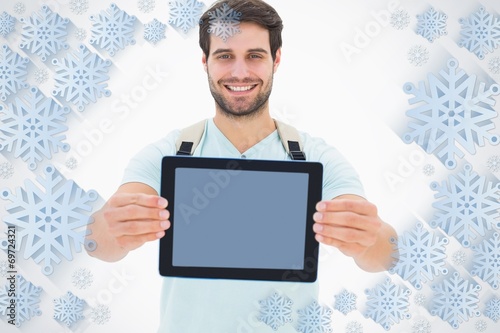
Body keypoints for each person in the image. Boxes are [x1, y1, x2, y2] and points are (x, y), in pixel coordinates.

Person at [87, 0, 397, 331]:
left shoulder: (319, 159)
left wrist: (369, 237)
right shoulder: (167, 155)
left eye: (254, 55)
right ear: (205, 62)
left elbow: (387, 255)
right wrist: (111, 227)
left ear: (275, 60)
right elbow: (98, 243)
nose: (239, 72)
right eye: (224, 56)